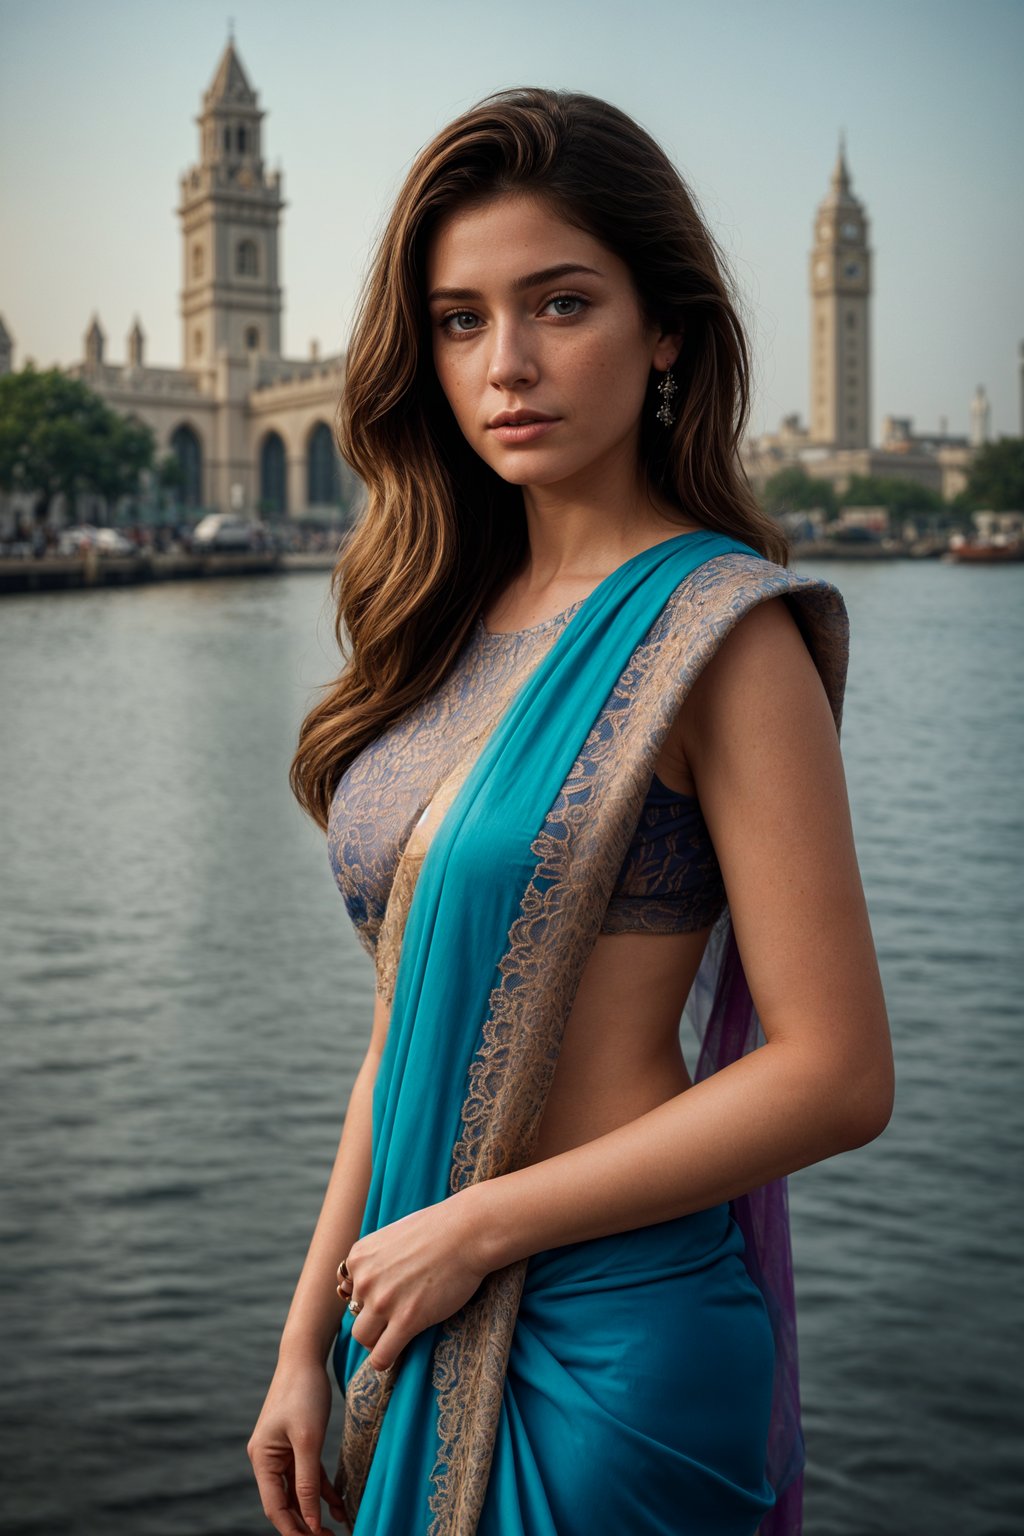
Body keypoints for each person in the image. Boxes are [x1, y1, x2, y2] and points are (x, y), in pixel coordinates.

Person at [247, 86, 894, 1536]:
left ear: (665, 329)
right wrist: (303, 1338)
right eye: (462, 320)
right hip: (399, 1312)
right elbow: (404, 1030)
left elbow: (839, 1072)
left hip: (614, 1352)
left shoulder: (723, 634)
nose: (508, 364)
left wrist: (476, 1228)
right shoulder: (444, 628)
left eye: (560, 304)